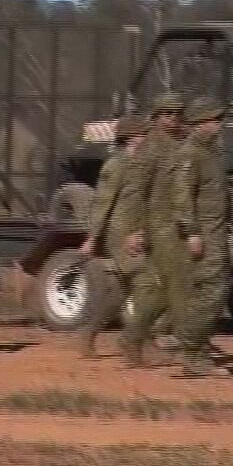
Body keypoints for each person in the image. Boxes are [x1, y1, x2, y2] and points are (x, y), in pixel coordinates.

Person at [74, 112, 148, 359]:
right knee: (146, 283)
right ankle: (138, 343)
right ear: (129, 138)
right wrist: (92, 238)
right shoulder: (116, 165)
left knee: (116, 294)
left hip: (139, 232)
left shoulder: (141, 163)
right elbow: (103, 203)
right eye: (142, 134)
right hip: (120, 233)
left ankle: (88, 336)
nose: (146, 137)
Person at [120, 94, 186, 367]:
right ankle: (136, 340)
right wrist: (133, 230)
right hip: (159, 227)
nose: (172, 120)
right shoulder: (150, 148)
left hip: (179, 226)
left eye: (176, 114)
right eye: (166, 114)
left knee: (177, 289)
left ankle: (141, 338)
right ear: (156, 117)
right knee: (171, 289)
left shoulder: (180, 145)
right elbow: (135, 191)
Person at [170, 98, 232, 379]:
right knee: (211, 292)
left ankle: (198, 353)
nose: (219, 125)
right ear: (200, 124)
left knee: (212, 292)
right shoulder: (191, 154)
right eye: (214, 120)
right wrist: (192, 232)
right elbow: (182, 197)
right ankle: (191, 350)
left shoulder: (212, 154)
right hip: (204, 235)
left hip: (217, 233)